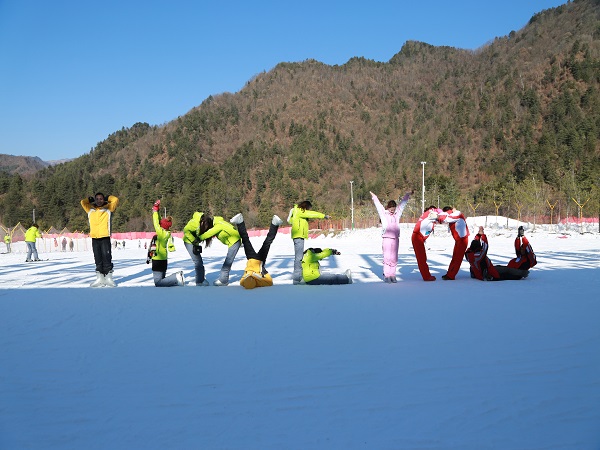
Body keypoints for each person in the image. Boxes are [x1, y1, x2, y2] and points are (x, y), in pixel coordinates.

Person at [229, 213, 283, 289]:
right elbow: (241, 283)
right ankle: (239, 221)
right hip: (251, 258)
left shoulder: (259, 280)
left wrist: (264, 273)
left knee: (267, 242)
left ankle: (275, 224)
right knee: (245, 239)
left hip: (259, 260)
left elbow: (270, 282)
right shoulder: (245, 277)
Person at [370, 190, 411, 282]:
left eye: (394, 207)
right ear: (388, 207)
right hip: (387, 238)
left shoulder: (397, 215)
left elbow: (402, 205)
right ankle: (387, 275)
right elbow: (378, 206)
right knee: (387, 257)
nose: (392, 209)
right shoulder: (384, 214)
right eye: (391, 207)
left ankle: (393, 274)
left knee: (394, 257)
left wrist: (407, 195)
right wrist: (374, 197)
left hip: (395, 239)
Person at [81, 192, 119, 287]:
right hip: (94, 237)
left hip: (105, 236)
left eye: (101, 199)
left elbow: (115, 200)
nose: (99, 201)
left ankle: (108, 278)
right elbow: (82, 202)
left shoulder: (108, 208)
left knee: (106, 257)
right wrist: (90, 200)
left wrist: (107, 197)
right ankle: (100, 278)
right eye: (97, 199)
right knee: (97, 258)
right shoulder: (90, 209)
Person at [288, 201, 330, 284]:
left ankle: (298, 276)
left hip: (298, 236)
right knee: (299, 257)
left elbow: (290, 220)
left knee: (299, 256)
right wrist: (324, 216)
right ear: (305, 206)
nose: (309, 210)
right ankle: (297, 278)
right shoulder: (300, 211)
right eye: (308, 208)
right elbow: (312, 214)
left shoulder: (296, 211)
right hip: (298, 236)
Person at [198, 215, 241, 286]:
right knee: (228, 262)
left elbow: (208, 233)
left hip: (234, 242)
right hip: (234, 241)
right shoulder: (220, 222)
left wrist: (198, 238)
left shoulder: (218, 226)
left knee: (227, 263)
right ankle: (223, 279)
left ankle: (223, 280)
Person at [150, 200, 185, 287]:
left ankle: (176, 277)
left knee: (158, 283)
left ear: (162, 226)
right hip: (164, 259)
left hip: (158, 259)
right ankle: (176, 278)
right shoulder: (167, 234)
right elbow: (158, 221)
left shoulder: (161, 233)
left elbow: (155, 221)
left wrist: (155, 210)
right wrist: (157, 210)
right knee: (163, 281)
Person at [437, 206, 470, 280]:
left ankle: (451, 275)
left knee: (457, 258)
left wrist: (439, 215)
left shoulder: (456, 215)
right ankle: (450, 273)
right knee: (455, 257)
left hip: (462, 240)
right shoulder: (455, 215)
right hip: (459, 240)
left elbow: (444, 219)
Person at [182, 212, 212, 286]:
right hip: (188, 242)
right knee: (197, 261)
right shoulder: (195, 223)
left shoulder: (200, 223)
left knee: (199, 261)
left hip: (194, 243)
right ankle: (199, 281)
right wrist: (193, 240)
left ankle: (201, 279)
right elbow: (186, 230)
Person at [411, 206, 440, 281]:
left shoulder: (428, 218)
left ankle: (426, 275)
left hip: (419, 238)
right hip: (417, 237)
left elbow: (439, 220)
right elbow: (438, 215)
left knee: (423, 257)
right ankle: (426, 276)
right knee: (422, 258)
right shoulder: (429, 214)